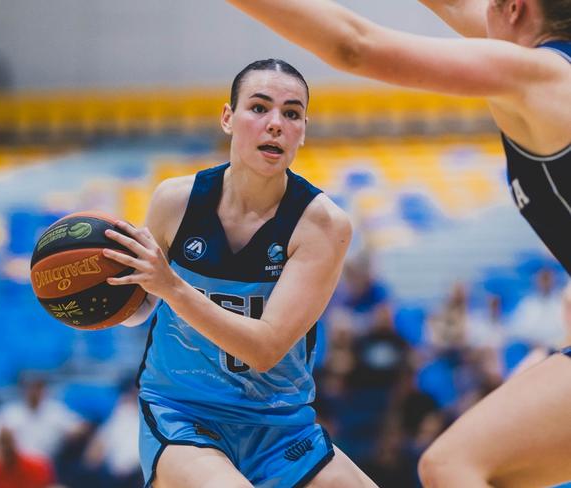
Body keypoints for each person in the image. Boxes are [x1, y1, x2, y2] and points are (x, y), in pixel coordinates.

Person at [222, 0, 571, 486]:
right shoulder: (538, 60)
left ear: (514, 9)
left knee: (454, 464)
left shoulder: (540, 75)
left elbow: (355, 45)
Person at [103, 59, 378, 487]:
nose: (275, 124)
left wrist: (172, 287)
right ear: (228, 118)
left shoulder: (322, 224)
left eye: (291, 113)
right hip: (185, 414)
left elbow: (264, 348)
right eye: (259, 108)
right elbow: (144, 307)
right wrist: (104, 298)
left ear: (303, 130)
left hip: (282, 425)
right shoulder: (174, 201)